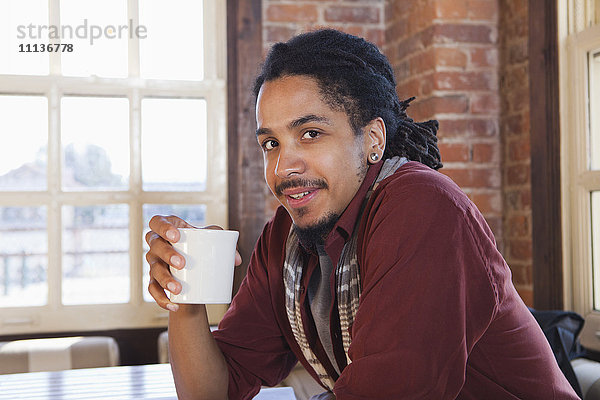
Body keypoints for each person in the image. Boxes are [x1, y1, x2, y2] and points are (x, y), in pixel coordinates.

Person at [145, 29, 578, 399]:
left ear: (372, 139)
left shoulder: (423, 208)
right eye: (271, 143)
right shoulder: (286, 237)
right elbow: (212, 389)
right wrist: (182, 293)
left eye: (310, 134)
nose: (282, 168)